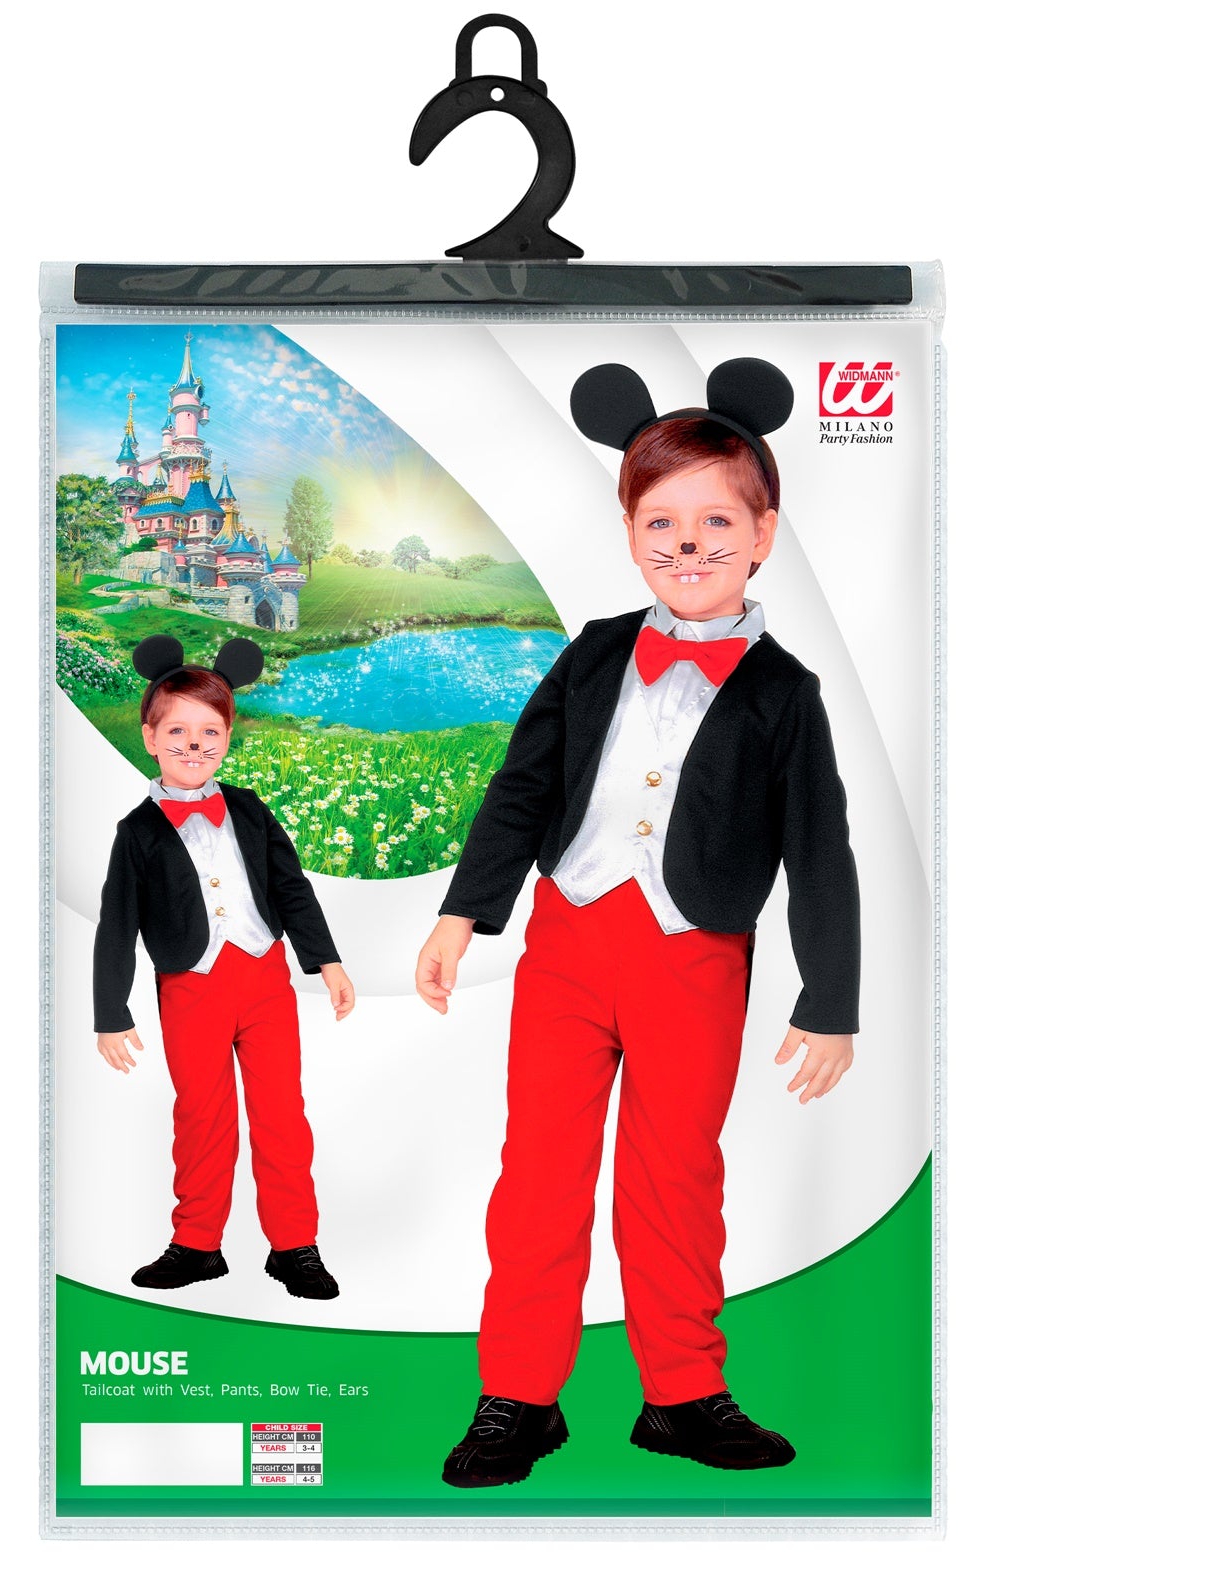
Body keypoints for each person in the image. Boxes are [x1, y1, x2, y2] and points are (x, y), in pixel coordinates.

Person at [416, 358, 859, 1486]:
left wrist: (830, 999)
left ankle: (682, 1394)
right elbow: (521, 786)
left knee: (673, 1177)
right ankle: (518, 1396)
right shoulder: (595, 649)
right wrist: (464, 912)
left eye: (716, 522)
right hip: (567, 942)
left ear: (762, 534)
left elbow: (818, 851)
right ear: (627, 530)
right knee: (539, 1174)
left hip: (694, 955)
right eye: (660, 521)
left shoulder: (786, 693)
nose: (687, 544)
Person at [94, 634, 354, 1300]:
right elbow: (117, 924)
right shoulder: (136, 832)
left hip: (265, 978)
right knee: (202, 1115)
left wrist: (325, 961)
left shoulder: (249, 808)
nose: (194, 744)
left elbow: (292, 887)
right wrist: (110, 1012)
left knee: (281, 1114)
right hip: (190, 986)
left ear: (229, 737)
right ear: (150, 738)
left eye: (210, 731)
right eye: (177, 731)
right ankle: (197, 1244)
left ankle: (294, 1246)